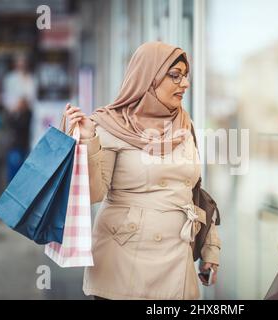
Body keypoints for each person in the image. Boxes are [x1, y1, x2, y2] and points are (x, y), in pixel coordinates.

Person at [65, 42, 221, 300]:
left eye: (185, 76)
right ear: (149, 77)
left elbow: (194, 191)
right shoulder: (109, 124)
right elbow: (92, 194)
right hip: (123, 263)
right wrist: (88, 141)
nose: (184, 84)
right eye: (175, 75)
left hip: (177, 261)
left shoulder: (185, 122)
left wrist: (210, 249)